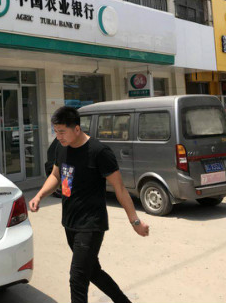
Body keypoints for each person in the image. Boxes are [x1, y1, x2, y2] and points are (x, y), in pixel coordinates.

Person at [29, 106, 149, 303]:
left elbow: (120, 188)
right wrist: (39, 195)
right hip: (70, 222)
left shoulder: (99, 151)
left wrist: (135, 222)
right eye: (56, 131)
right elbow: (56, 175)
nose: (58, 136)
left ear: (77, 129)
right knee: (92, 271)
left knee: (77, 278)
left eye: (62, 132)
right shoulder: (61, 147)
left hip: (91, 224)